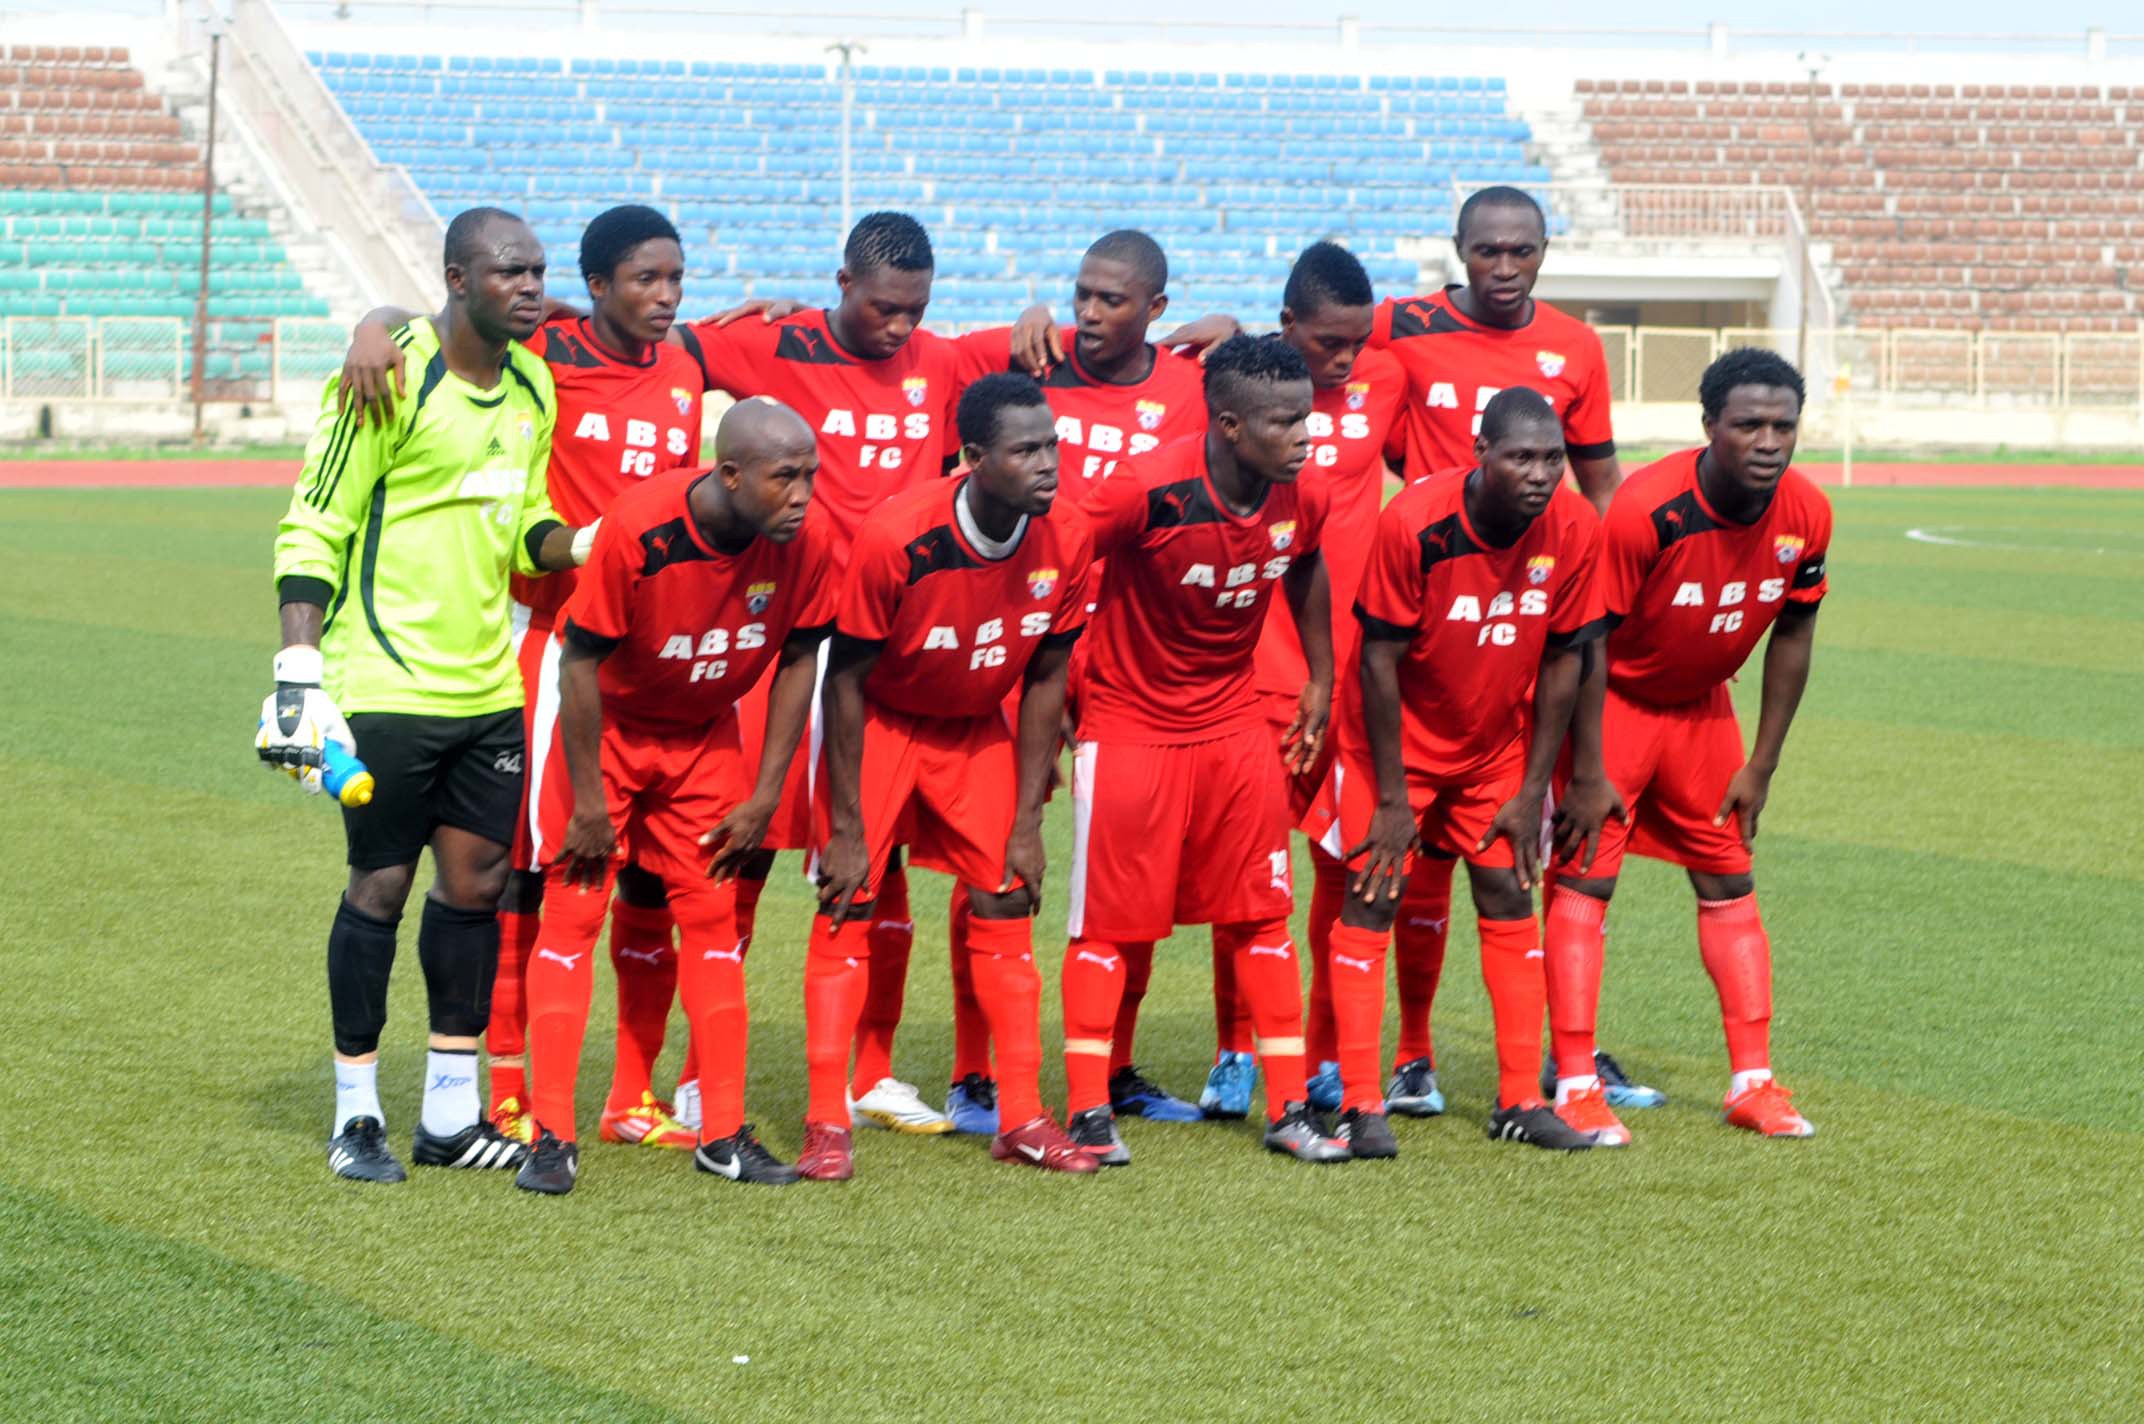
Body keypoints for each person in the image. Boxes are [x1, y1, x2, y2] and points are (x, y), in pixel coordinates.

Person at [335, 203, 713, 1153]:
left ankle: (629, 1095)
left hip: (661, 657)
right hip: (558, 649)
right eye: (647, 279)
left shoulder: (685, 363)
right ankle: (499, 1091)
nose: (665, 296)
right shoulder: (545, 355)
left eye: (676, 279)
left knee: (652, 881)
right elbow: (445, 316)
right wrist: (373, 323)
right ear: (598, 286)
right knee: (526, 879)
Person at [260, 207, 588, 1183]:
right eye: (509, 272)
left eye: (538, 271)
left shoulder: (533, 384)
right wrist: (297, 670)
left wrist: (583, 542)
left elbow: (525, 522)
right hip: (384, 680)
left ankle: (449, 1116)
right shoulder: (389, 371)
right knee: (381, 885)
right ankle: (355, 1115)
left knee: (478, 887)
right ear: (456, 278)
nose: (529, 287)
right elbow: (315, 520)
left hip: (487, 685)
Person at [670, 212, 1010, 1137]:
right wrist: (388, 323)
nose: (900, 327)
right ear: (843, 283)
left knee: (876, 859)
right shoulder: (775, 341)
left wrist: (1214, 327)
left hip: (883, 649)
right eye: (884, 308)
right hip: (787, 640)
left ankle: (873, 1072)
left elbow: (1056, 340)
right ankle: (701, 1074)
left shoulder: (943, 360)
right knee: (744, 852)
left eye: (916, 310)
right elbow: (645, 341)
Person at [513, 398, 836, 1193]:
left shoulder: (809, 541)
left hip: (703, 737)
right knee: (573, 914)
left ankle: (722, 1132)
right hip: (607, 729)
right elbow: (578, 663)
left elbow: (801, 659)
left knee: (713, 923)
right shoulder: (641, 528)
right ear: (730, 475)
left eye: (810, 476)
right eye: (785, 477)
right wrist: (590, 802)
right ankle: (551, 1134)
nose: (802, 495)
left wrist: (765, 793)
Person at [1060, 334, 1350, 1167]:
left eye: (1307, 418)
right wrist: (1062, 687)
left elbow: (1307, 566)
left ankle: (1289, 1108)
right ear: (1229, 425)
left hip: (1233, 725)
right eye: (1285, 422)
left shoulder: (1303, 493)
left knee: (1263, 912)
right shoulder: (1145, 489)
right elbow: (1061, 558)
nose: (1304, 436)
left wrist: (1320, 675)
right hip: (1131, 727)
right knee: (1106, 924)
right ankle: (1086, 1111)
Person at [798, 374, 1097, 1180]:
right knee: (847, 900)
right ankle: (826, 1120)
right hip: (881, 720)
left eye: (1053, 446)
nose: (1048, 464)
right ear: (972, 457)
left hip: (973, 725)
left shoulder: (1068, 534)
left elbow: (1048, 676)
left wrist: (1030, 819)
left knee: (1007, 894)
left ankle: (1022, 1116)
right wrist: (848, 827)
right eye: (1026, 450)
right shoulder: (897, 535)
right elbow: (845, 679)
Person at [1542, 347, 1831, 1146]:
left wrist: (1762, 764)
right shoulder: (1648, 508)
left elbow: (1796, 632)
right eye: (1748, 425)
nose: (1768, 442)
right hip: (1615, 707)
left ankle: (1753, 1083)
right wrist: (1588, 768)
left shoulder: (1808, 512)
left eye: (1783, 426)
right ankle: (1576, 1084)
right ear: (1710, 426)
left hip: (1705, 716)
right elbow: (1588, 640)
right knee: (1585, 882)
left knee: (1731, 878)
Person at [1337, 388, 1613, 1155]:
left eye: (1553, 459)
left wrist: (1532, 790)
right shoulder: (1415, 523)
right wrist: (1393, 799)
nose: (1540, 474)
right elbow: (1378, 661)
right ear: (1481, 452)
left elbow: (1566, 659)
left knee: (1508, 892)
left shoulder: (1574, 525)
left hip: (1492, 750)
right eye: (1521, 457)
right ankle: (1359, 1103)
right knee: (1373, 897)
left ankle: (1519, 1099)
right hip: (1394, 749)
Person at [1203, 240, 1410, 1121]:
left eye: (1357, 342)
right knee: (1247, 871)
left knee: (1345, 864)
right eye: (1329, 343)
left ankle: (1324, 1055)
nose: (1347, 359)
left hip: (1356, 674)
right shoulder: (1242, 389)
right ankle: (1235, 1050)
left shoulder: (1388, 377)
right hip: (1256, 669)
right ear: (1287, 326)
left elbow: (1465, 323)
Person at [1370, 186, 1622, 514]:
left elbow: (1602, 487)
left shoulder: (1577, 345)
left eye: (1522, 252)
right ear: (1460, 248)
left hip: (1534, 543)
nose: (1505, 269)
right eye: (1488, 252)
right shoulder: (1402, 325)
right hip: (1434, 538)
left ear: (1543, 251)